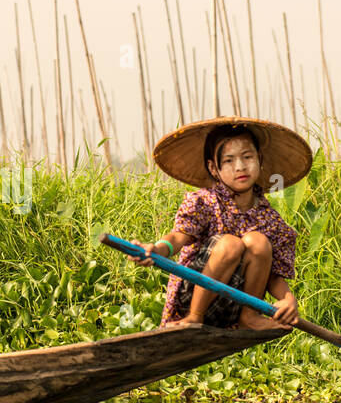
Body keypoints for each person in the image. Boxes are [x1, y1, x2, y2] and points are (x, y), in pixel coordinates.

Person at [131, 117, 313, 331]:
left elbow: (272, 276)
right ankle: (194, 317)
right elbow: (178, 237)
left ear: (259, 159)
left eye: (247, 157)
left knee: (258, 242)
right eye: (228, 161)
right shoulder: (205, 202)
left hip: (231, 306)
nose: (240, 167)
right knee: (230, 244)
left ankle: (249, 317)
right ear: (213, 168)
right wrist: (159, 249)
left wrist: (289, 299)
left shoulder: (270, 220)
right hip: (194, 297)